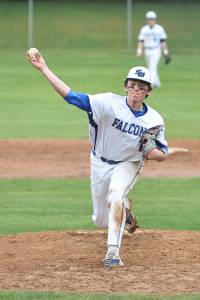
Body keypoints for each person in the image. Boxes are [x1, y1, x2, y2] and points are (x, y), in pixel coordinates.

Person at [27, 49, 168, 268]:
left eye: (141, 87)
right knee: (101, 220)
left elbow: (161, 155)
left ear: (148, 91)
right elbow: (72, 96)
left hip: (128, 164)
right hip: (99, 162)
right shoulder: (108, 103)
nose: (136, 90)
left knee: (115, 196)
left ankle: (113, 253)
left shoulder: (154, 119)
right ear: (125, 86)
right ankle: (126, 212)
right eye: (132, 85)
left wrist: (152, 151)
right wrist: (44, 69)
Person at [136, 10, 170, 88]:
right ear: (147, 20)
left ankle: (149, 84)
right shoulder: (144, 29)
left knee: (152, 66)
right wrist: (139, 50)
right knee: (150, 67)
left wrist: (165, 51)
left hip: (156, 50)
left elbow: (163, 41)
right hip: (147, 50)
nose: (151, 20)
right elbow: (141, 40)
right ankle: (157, 83)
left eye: (152, 19)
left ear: (155, 19)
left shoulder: (159, 28)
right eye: (149, 19)